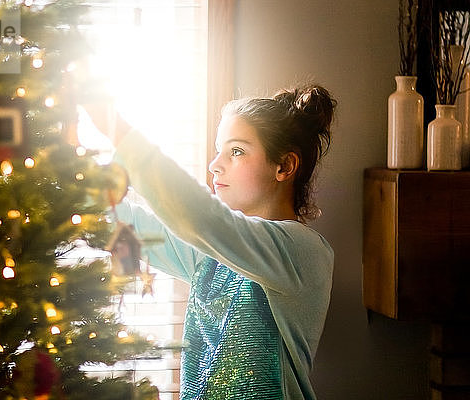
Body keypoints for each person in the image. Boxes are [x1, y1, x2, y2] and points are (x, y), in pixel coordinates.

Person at [84, 84, 336, 400]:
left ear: (284, 166)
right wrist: (65, 176)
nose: (215, 164)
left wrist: (115, 126)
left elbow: (199, 217)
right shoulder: (210, 255)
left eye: (237, 151)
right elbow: (123, 225)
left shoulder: (302, 251)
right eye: (219, 150)